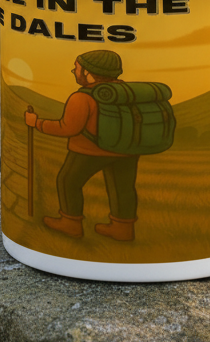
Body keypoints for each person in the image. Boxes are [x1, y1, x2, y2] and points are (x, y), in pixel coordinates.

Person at [24, 49, 138, 241]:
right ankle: (123, 228)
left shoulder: (82, 97)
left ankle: (71, 223)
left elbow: (67, 128)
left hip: (89, 150)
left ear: (89, 73)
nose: (74, 71)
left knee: (68, 181)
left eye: (77, 68)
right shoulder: (128, 93)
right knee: (123, 187)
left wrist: (36, 123)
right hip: (127, 150)